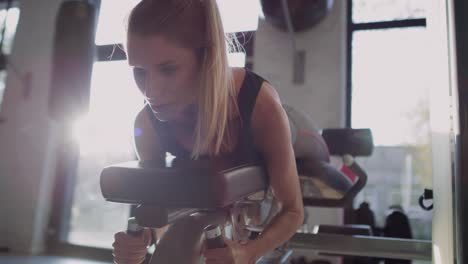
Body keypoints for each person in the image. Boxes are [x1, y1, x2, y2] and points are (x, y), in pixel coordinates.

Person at [111, 0, 304, 263]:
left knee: (311, 142)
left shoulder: (260, 104)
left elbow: (292, 211)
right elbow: (162, 211)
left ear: (206, 58)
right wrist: (146, 238)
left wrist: (249, 252)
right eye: (140, 72)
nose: (150, 92)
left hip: (296, 129)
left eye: (168, 69)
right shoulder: (146, 125)